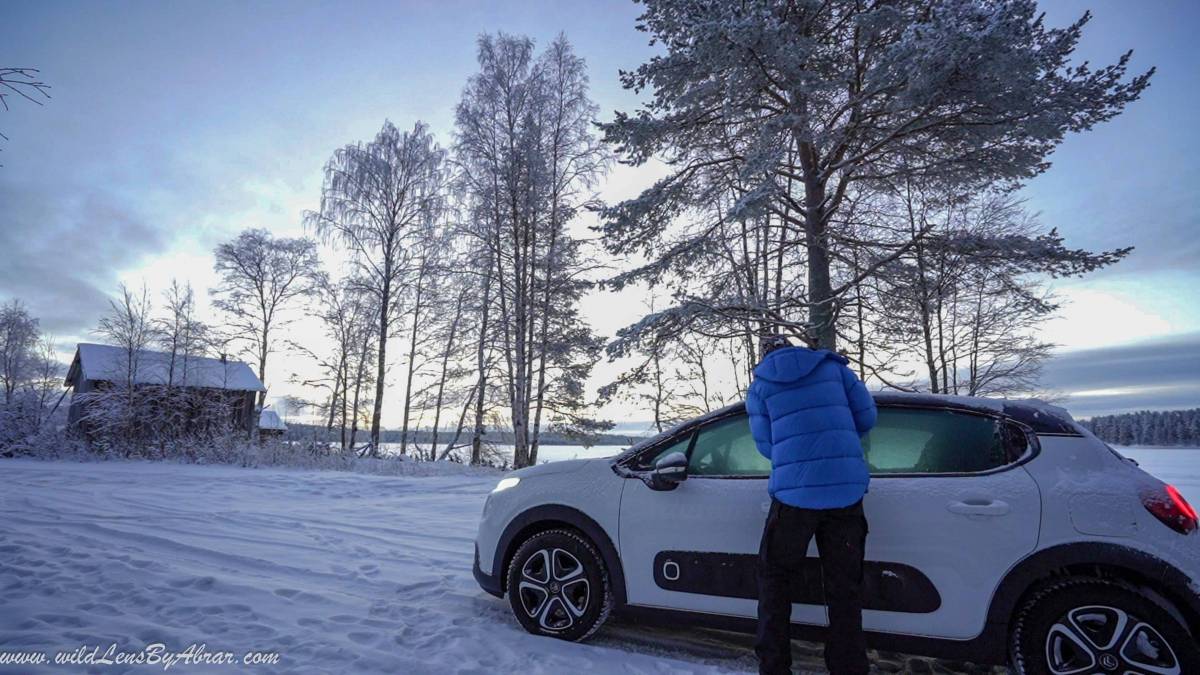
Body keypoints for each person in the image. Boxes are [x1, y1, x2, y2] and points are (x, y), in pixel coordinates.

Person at [745, 335, 878, 675]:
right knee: (844, 589)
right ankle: (849, 669)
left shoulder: (761, 386)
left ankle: (775, 668)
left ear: (765, 355)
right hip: (846, 492)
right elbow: (867, 419)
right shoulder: (834, 368)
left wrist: (798, 459)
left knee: (774, 581)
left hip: (794, 497)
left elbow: (766, 447)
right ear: (797, 348)